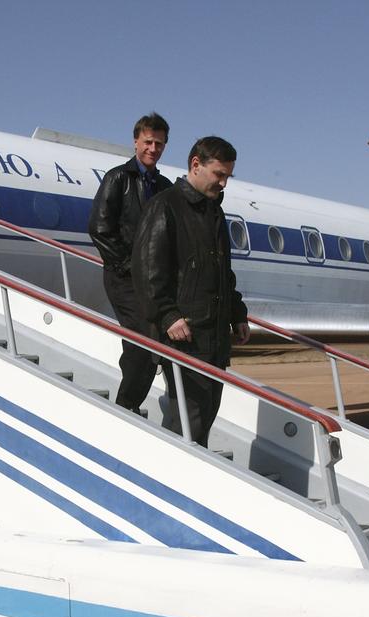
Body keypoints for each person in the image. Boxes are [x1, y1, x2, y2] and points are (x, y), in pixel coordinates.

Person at [132, 136, 250, 446]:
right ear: (196, 165)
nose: (223, 183)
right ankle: (172, 484)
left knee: (206, 414)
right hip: (185, 337)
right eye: (219, 174)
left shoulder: (214, 212)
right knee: (189, 420)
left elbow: (222, 273)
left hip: (214, 338)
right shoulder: (165, 206)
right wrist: (168, 315)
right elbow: (147, 270)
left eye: (227, 176)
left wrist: (237, 313)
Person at [88, 112, 173, 411]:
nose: (153, 148)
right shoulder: (118, 178)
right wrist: (126, 265)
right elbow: (99, 227)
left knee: (154, 343)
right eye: (148, 141)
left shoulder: (164, 186)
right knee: (143, 341)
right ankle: (126, 406)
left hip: (152, 280)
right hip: (122, 277)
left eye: (159, 144)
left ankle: (132, 403)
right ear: (136, 141)